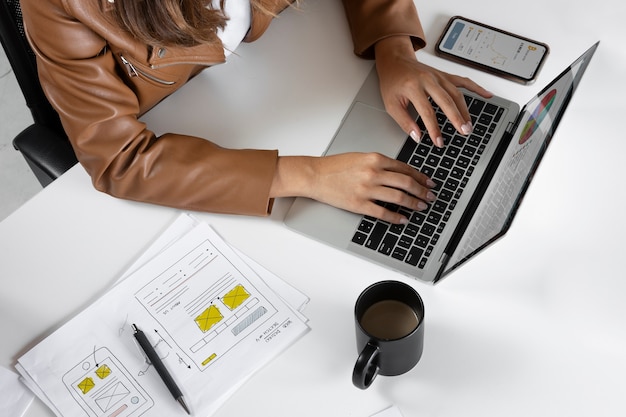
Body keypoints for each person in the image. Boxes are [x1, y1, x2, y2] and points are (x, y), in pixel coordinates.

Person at [21, 0, 491, 225]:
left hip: (287, 76)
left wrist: (393, 49)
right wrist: (308, 175)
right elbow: (119, 158)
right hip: (190, 141)